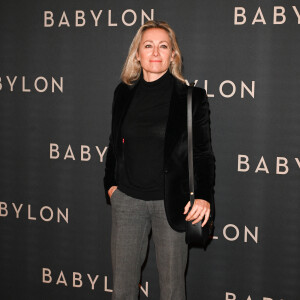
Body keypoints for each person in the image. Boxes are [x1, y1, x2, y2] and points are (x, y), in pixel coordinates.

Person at [103, 20, 215, 300]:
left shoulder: (192, 98)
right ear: (137, 54)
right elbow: (114, 144)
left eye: (163, 46)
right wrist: (111, 186)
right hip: (127, 200)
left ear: (173, 54)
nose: (155, 52)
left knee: (173, 289)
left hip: (173, 204)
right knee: (123, 290)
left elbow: (203, 152)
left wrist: (203, 195)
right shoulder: (123, 93)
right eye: (148, 46)